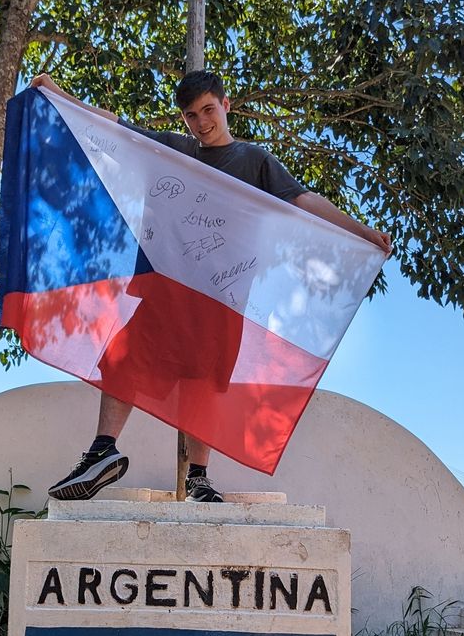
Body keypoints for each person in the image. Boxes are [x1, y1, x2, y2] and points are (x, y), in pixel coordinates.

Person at [32, 70, 392, 503]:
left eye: (208, 110)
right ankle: (102, 453)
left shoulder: (254, 160)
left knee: (204, 383)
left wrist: (361, 231)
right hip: (169, 287)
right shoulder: (175, 150)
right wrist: (60, 96)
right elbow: (114, 127)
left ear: (226, 105)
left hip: (224, 296)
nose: (201, 122)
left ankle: (200, 478)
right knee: (121, 361)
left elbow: (302, 199)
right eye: (191, 115)